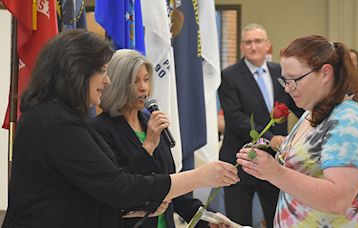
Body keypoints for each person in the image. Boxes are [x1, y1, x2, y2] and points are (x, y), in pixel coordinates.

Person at [2, 30, 239, 228]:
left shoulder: (57, 118)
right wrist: (200, 176)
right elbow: (119, 186)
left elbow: (86, 193)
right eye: (103, 71)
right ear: (77, 72)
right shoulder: (57, 124)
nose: (107, 81)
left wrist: (133, 210)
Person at [237, 35, 358, 227]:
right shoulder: (311, 113)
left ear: (325, 73)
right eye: (284, 81)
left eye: (294, 80)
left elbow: (338, 199)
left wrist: (275, 173)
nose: (288, 89)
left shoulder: (348, 120)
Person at [90, 49, 222, 228]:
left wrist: (208, 220)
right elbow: (121, 187)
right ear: (117, 84)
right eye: (135, 81)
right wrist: (149, 145)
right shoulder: (99, 129)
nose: (144, 87)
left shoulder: (150, 122)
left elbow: (172, 187)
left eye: (146, 79)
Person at [218, 23, 303, 227]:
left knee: (277, 219)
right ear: (241, 47)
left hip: (275, 162)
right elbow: (236, 118)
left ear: (268, 45)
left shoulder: (281, 73)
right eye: (248, 42)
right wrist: (271, 138)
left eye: (258, 41)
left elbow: (299, 106)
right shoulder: (229, 75)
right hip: (240, 160)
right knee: (239, 222)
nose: (253, 47)